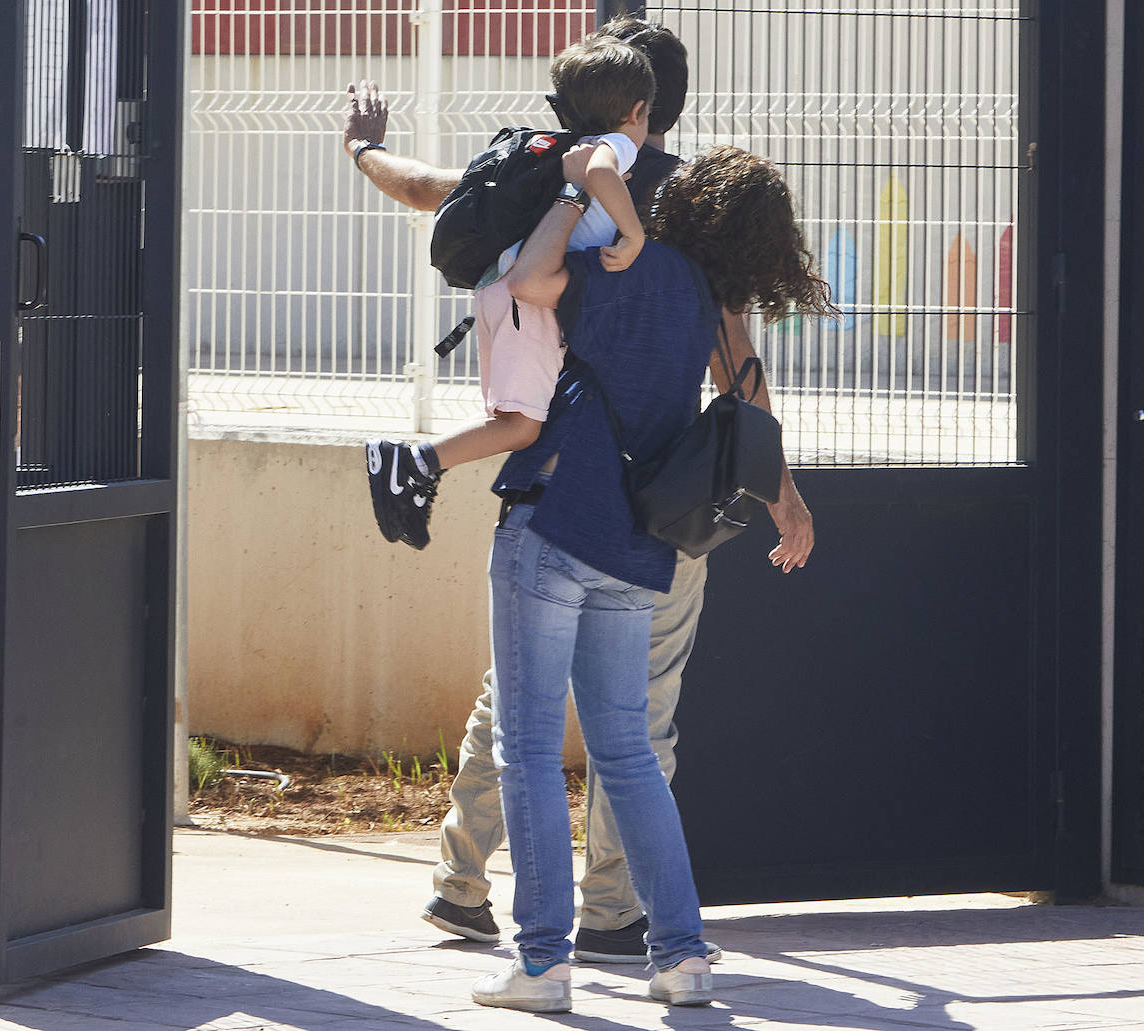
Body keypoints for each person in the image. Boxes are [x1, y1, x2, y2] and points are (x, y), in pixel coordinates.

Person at [341, 17, 815, 964]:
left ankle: (462, 883)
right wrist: (782, 491)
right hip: (656, 503)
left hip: (548, 484)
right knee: (639, 721)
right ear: (664, 105)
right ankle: (612, 911)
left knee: (512, 701)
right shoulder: (698, 209)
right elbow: (739, 369)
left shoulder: (546, 178)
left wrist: (363, 149)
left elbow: (430, 191)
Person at [470, 141, 835, 1012]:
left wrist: (568, 195)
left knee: (526, 748)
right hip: (641, 553)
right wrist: (791, 501)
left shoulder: (630, 265)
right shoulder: (713, 311)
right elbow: (751, 420)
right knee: (628, 754)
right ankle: (681, 955)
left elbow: (527, 284)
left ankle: (541, 964)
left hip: (556, 525)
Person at [363, 36, 655, 549]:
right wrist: (633, 234)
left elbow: (428, 188)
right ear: (636, 110)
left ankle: (414, 472)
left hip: (498, 293)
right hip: (529, 305)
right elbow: (603, 171)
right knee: (521, 426)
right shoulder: (616, 144)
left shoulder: (555, 152)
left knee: (510, 418)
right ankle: (412, 462)